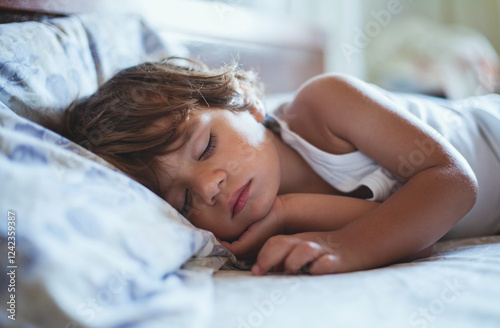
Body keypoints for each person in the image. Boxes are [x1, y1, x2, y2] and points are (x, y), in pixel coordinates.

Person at [54, 58, 500, 275]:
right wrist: (288, 212)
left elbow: (451, 185)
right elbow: (417, 232)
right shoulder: (260, 227)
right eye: (184, 201)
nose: (209, 188)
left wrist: (349, 249)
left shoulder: (324, 104)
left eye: (206, 146)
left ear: (245, 103)